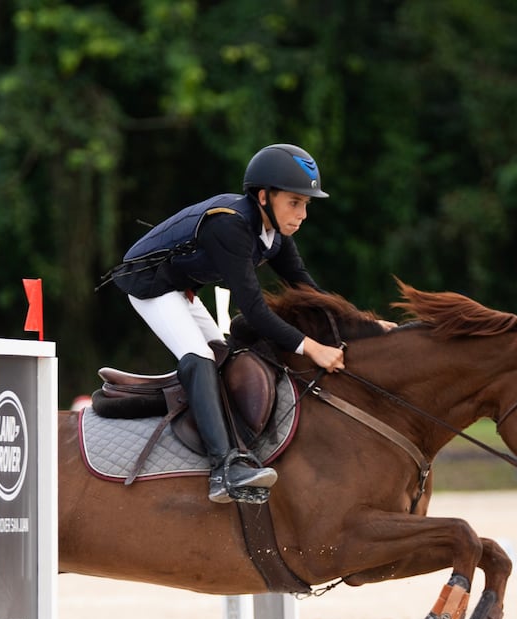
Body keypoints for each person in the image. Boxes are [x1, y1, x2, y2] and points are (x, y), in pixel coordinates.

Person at [105, 143, 345, 504]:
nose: (303, 214)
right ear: (263, 197)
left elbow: (306, 288)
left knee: (225, 356)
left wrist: (362, 323)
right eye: (294, 202)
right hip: (149, 284)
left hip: (180, 286)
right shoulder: (230, 226)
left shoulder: (274, 234)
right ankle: (223, 469)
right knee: (199, 357)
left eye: (306, 204)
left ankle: (239, 444)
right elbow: (257, 311)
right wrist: (312, 347)